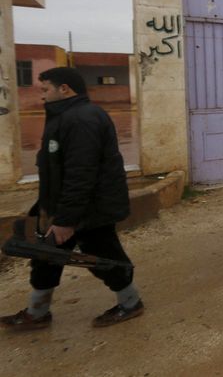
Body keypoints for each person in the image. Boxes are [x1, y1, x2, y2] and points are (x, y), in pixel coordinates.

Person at [1, 68, 142, 331]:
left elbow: (81, 173)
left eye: (45, 89)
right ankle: (38, 312)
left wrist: (66, 220)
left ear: (64, 89)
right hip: (63, 207)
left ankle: (131, 303)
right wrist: (46, 208)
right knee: (44, 255)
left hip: (90, 210)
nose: (41, 95)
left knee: (104, 259)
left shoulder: (82, 119)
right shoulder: (65, 116)